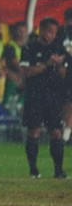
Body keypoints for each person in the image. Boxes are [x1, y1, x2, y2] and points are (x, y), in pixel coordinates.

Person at [21, 17, 67, 179]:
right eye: (48, 31)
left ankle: (58, 171)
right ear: (40, 30)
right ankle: (33, 170)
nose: (50, 35)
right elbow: (26, 72)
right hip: (35, 95)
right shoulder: (29, 48)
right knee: (34, 130)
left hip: (53, 95)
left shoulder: (59, 48)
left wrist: (59, 64)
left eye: (53, 33)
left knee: (56, 132)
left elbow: (63, 74)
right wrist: (47, 64)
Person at [56, 7, 72, 143]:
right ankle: (65, 129)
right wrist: (60, 66)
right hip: (65, 72)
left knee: (68, 102)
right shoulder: (61, 32)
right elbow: (57, 51)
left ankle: (67, 130)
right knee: (66, 101)